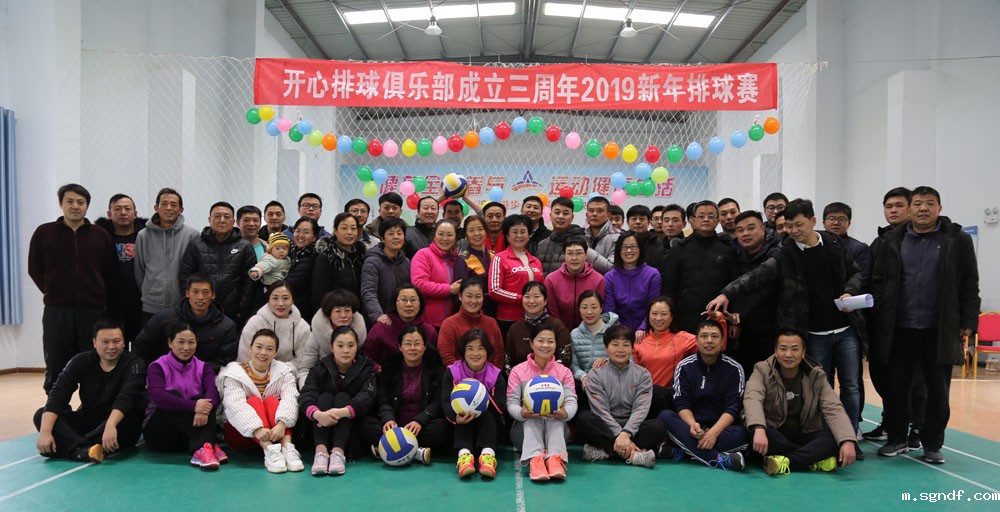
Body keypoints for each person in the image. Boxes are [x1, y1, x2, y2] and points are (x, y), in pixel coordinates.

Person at [707, 199, 867, 442]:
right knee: (822, 388)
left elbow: (855, 272)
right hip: (813, 334)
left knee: (851, 386)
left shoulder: (834, 243)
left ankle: (850, 436)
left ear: (813, 221)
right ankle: (829, 439)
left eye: (798, 225)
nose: (793, 231)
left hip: (846, 329)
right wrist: (726, 294)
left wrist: (850, 291)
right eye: (789, 226)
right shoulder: (785, 253)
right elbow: (756, 277)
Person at [869, 186, 979, 464]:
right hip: (900, 328)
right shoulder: (892, 240)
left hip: (939, 329)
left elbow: (969, 282)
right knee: (897, 388)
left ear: (939, 208)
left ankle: (932, 444)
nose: (923, 208)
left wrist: (968, 321)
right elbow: (879, 281)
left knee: (938, 391)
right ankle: (897, 439)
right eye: (918, 203)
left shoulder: (957, 239)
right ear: (911, 208)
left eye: (929, 203)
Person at [29, 183, 115, 392]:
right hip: (57, 311)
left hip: (93, 311)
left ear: (87, 206)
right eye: (70, 201)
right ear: (61, 204)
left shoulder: (100, 235)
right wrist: (52, 291)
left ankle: (91, 408)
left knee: (93, 362)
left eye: (80, 202)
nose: (75, 206)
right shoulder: (44, 233)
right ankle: (57, 408)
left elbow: (109, 272)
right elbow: (35, 269)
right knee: (56, 361)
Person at [744, 329, 857, 475]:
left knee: (835, 439)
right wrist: (759, 428)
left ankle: (785, 461)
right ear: (776, 351)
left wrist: (847, 440)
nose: (788, 354)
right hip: (775, 432)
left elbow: (833, 407)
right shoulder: (762, 370)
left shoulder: (816, 374)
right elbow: (752, 397)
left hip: (805, 432)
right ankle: (813, 459)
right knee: (756, 435)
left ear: (803, 352)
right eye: (783, 349)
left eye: (795, 349)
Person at [34, 320, 146, 463]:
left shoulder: (135, 363)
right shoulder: (81, 361)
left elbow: (126, 398)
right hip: (88, 419)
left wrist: (110, 425)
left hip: (117, 422)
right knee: (40, 415)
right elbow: (58, 394)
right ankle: (84, 450)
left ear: (124, 342)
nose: (111, 347)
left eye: (116, 341)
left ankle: (69, 446)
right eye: (105, 342)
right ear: (94, 343)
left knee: (129, 425)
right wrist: (45, 432)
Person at [863, 187, 923, 445]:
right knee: (882, 377)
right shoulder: (880, 242)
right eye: (889, 206)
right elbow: (870, 281)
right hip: (884, 324)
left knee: (915, 380)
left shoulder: (922, 240)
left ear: (911, 208)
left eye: (899, 205)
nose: (894, 210)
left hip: (914, 324)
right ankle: (891, 422)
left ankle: (917, 428)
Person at [659, 319, 748, 471]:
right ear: (696, 340)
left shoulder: (734, 369)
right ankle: (719, 458)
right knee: (665, 416)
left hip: (720, 429)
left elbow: (733, 407)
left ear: (722, 341)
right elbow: (681, 402)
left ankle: (685, 451)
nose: (709, 341)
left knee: (743, 434)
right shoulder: (684, 366)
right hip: (691, 428)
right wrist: (692, 425)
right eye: (704, 336)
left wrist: (713, 433)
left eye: (714, 336)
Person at [576, 324, 666, 468]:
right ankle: (634, 455)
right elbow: (600, 410)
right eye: (615, 344)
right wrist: (620, 434)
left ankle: (607, 452)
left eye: (625, 345)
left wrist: (627, 432)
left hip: (633, 426)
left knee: (658, 426)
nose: (620, 350)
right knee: (584, 419)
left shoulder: (643, 374)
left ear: (632, 348)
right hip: (606, 425)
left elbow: (641, 408)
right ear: (606, 348)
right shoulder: (596, 374)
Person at [219, 329, 303, 473]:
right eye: (259, 347)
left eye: (269, 349)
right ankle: (270, 450)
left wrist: (282, 424)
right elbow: (234, 405)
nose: (263, 352)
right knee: (254, 401)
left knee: (271, 401)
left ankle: (287, 448)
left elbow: (291, 398)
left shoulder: (285, 372)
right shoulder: (234, 373)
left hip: (278, 434)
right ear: (250, 348)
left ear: (275, 353)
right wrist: (257, 429)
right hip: (243, 436)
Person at [143, 322, 226, 469]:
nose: (186, 347)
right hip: (161, 436)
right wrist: (194, 406)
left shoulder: (203, 367)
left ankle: (204, 446)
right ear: (170, 343)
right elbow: (158, 396)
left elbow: (213, 393)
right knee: (172, 396)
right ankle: (208, 443)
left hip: (188, 436)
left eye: (191, 342)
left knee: (205, 399)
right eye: (181, 342)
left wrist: (201, 408)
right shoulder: (157, 367)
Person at [362, 326, 449, 464]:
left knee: (442, 428)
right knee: (366, 423)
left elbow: (437, 402)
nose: (412, 348)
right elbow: (383, 398)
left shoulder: (436, 368)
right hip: (395, 424)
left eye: (417, 343)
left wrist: (420, 420)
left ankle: (389, 448)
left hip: (420, 427)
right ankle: (415, 452)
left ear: (424, 347)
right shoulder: (390, 367)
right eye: (408, 344)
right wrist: (388, 419)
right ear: (400, 347)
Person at [299, 326, 377, 475]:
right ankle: (321, 452)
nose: (345, 350)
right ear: (331, 347)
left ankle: (338, 452)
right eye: (340, 346)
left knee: (343, 398)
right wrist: (318, 415)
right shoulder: (319, 368)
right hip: (319, 427)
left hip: (351, 432)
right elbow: (306, 394)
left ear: (357, 346)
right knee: (325, 397)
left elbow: (368, 395)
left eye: (350, 345)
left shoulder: (366, 368)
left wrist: (343, 412)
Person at [507, 322, 578, 481]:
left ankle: (555, 460)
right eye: (540, 340)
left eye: (550, 341)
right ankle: (535, 460)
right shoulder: (518, 371)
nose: (545, 345)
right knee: (532, 420)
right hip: (523, 432)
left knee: (556, 420)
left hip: (557, 430)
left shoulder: (564, 372)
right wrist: (522, 413)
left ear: (556, 345)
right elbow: (511, 402)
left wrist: (564, 414)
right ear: (532, 344)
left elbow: (572, 401)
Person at [133, 273, 238, 374]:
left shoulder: (226, 326)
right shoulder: (164, 318)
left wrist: (192, 370)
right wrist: (158, 369)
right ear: (187, 293)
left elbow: (225, 362)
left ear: (213, 295)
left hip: (204, 377)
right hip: (165, 374)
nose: (200, 297)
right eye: (195, 292)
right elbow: (141, 348)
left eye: (205, 292)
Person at [662, 200, 739, 333]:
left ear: (717, 220)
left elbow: (735, 285)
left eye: (711, 216)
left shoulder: (728, 249)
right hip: (685, 319)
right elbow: (670, 288)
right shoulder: (679, 249)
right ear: (693, 220)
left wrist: (734, 320)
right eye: (701, 216)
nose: (706, 219)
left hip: (719, 318)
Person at [179, 201, 256, 326]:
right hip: (201, 308)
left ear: (233, 221)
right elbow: (185, 275)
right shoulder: (196, 244)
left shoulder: (244, 246)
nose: (222, 220)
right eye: (217, 216)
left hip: (233, 310)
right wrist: (191, 302)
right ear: (209, 220)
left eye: (227, 217)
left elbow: (250, 281)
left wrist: (242, 309)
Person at [443, 329, 507, 478]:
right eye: (470, 348)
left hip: (490, 423)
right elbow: (445, 401)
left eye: (480, 348)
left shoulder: (496, 374)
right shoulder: (452, 372)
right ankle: (464, 456)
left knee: (484, 413)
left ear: (487, 351)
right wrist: (456, 418)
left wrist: (479, 391)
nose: (475, 353)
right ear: (463, 352)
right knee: (464, 413)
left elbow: (500, 407)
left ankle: (487, 456)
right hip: (460, 422)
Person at [727, 211, 781, 377]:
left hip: (774, 329)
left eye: (751, 228)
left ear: (763, 229)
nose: (745, 234)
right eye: (740, 230)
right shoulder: (735, 255)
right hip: (745, 331)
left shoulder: (777, 253)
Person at [135, 188, 199, 323]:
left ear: (181, 210)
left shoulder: (192, 235)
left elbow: (195, 269)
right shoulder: (143, 235)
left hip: (182, 305)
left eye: (173, 205)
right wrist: (150, 290)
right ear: (156, 208)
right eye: (164, 204)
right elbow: (139, 270)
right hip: (151, 305)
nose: (169, 208)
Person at [96, 193, 147, 343]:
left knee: (142, 345)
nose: (123, 212)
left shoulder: (146, 236)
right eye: (117, 209)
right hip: (110, 304)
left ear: (135, 214)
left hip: (141, 302)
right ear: (109, 214)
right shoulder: (100, 237)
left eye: (127, 209)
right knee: (114, 345)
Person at [633, 297, 697, 418]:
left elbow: (715, 345)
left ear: (672, 317)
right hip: (643, 398)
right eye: (654, 314)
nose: (658, 318)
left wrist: (719, 320)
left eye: (663, 314)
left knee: (656, 393)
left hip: (670, 397)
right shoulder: (639, 341)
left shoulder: (683, 338)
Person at [298, 290, 368, 387]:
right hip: (322, 386)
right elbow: (305, 370)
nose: (343, 315)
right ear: (329, 314)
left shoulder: (361, 335)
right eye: (338, 311)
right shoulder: (316, 336)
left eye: (347, 310)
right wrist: (309, 391)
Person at [489, 215, 544, 337]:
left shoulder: (536, 261)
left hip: (535, 318)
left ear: (529, 235)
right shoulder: (499, 258)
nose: (519, 236)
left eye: (523, 232)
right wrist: (522, 299)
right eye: (514, 232)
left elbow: (542, 290)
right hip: (508, 319)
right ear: (507, 236)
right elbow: (494, 290)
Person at [239, 281, 310, 373]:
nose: (280, 303)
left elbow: (302, 361)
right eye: (275, 298)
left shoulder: (303, 327)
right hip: (254, 374)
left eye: (285, 298)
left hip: (289, 375)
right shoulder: (255, 323)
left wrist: (281, 372)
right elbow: (244, 358)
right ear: (268, 300)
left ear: (293, 300)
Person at [412, 220, 470, 329]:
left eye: (449, 235)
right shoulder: (423, 255)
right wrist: (449, 289)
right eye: (441, 234)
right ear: (434, 235)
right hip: (427, 323)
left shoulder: (459, 260)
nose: (445, 238)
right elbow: (419, 284)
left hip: (453, 323)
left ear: (456, 237)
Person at [505, 282, 573, 372]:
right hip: (521, 379)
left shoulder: (557, 325)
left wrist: (545, 378)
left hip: (553, 378)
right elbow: (508, 362)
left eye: (536, 296)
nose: (531, 301)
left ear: (545, 301)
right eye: (527, 297)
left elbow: (565, 358)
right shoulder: (515, 328)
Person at [363, 285, 438, 366]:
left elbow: (434, 360)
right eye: (404, 300)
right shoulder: (380, 329)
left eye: (413, 300)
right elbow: (368, 358)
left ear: (420, 303)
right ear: (395, 303)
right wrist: (379, 369)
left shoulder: (429, 330)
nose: (409, 304)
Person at [438, 279, 504, 368]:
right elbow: (447, 357)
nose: (473, 301)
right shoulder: (449, 324)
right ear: (460, 296)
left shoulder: (491, 322)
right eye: (469, 296)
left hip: (489, 375)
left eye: (478, 296)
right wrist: (464, 375)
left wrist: (490, 374)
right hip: (458, 375)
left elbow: (498, 354)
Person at [536, 196, 611, 274]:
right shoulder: (542, 244)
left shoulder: (582, 241)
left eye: (565, 213)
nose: (561, 216)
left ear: (572, 217)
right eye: (557, 213)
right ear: (550, 215)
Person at [604, 231, 661, 330]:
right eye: (624, 247)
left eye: (633, 246)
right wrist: (620, 331)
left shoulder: (652, 275)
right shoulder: (609, 277)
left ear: (640, 249)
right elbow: (609, 310)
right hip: (618, 331)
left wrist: (643, 328)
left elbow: (653, 308)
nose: (629, 250)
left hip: (647, 328)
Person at [569, 291, 619, 407]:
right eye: (584, 307)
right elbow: (573, 365)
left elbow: (629, 361)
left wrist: (610, 362)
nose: (589, 312)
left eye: (594, 307)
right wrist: (583, 376)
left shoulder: (615, 331)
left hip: (613, 384)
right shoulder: (574, 334)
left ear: (601, 308)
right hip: (585, 387)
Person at [312, 212, 366, 315]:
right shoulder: (327, 257)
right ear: (335, 231)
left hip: (358, 314)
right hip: (335, 314)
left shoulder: (362, 256)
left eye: (353, 228)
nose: (349, 232)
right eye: (344, 228)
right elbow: (318, 294)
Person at [545, 237, 605, 329]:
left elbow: (599, 311)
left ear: (586, 255)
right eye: (570, 253)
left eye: (579, 253)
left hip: (590, 331)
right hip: (559, 330)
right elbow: (553, 312)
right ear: (564, 255)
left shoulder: (598, 279)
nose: (574, 258)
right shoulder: (551, 280)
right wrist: (562, 332)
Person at [361, 217, 411, 326]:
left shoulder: (406, 262)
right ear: (382, 238)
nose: (396, 237)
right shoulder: (372, 261)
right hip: (380, 321)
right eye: (391, 234)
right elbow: (369, 292)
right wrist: (378, 315)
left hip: (401, 319)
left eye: (399, 233)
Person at [822, 202, 872, 283]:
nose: (836, 223)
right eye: (831, 219)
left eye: (842, 219)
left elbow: (862, 279)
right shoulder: (815, 245)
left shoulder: (859, 248)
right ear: (823, 223)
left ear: (849, 224)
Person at [284, 217, 320, 321]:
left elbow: (290, 283)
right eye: (298, 231)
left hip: (303, 312)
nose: (301, 235)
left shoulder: (312, 257)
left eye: (306, 232)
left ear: (314, 237)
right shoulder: (291, 252)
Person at [584, 197, 620, 268]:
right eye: (591, 211)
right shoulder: (581, 234)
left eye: (599, 211)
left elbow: (611, 268)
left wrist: (585, 249)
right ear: (587, 215)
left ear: (608, 215)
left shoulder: (618, 237)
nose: (594, 214)